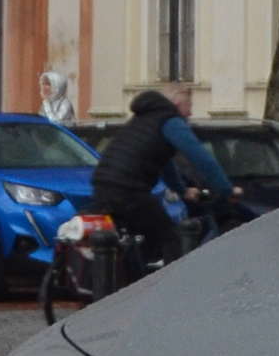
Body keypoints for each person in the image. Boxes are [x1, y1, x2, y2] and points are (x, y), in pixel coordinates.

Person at [87, 82, 235, 276]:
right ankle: (170, 289)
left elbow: (165, 163)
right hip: (128, 190)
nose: (189, 114)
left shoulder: (144, 118)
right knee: (171, 236)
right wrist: (227, 189)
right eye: (188, 107)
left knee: (147, 235)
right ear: (176, 103)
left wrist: (182, 190)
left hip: (102, 187)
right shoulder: (170, 121)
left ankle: (125, 282)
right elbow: (201, 157)